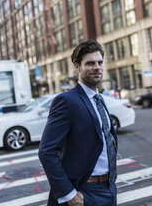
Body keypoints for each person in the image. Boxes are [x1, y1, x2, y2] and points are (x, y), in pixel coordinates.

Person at [38, 40, 118, 206]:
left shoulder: (99, 99)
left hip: (108, 188)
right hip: (83, 192)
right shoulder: (66, 101)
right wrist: (69, 194)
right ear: (77, 66)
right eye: (90, 63)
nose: (97, 67)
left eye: (100, 62)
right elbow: (47, 151)